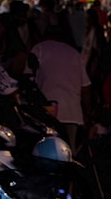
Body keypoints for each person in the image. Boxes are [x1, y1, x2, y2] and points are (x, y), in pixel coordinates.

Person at [29, 24, 92, 154]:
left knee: (43, 153)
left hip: (45, 112)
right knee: (67, 153)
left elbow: (28, 78)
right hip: (71, 113)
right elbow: (86, 88)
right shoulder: (74, 53)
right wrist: (87, 113)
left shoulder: (39, 49)